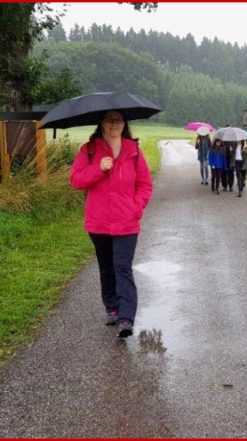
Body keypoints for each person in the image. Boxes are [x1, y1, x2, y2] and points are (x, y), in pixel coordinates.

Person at [69, 110, 153, 338]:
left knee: (122, 268)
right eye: (110, 120)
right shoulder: (89, 150)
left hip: (127, 222)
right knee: (106, 268)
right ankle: (112, 308)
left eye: (119, 120)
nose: (115, 124)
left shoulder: (134, 151)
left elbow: (145, 184)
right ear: (102, 124)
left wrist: (136, 208)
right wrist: (98, 168)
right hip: (99, 223)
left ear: (124, 123)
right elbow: (76, 180)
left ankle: (126, 318)